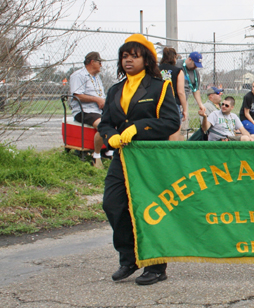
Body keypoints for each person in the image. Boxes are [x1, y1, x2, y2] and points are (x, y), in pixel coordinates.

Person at [98, 34, 180, 285]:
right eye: (125, 56)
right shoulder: (115, 90)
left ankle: (156, 266)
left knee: (148, 210)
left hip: (150, 159)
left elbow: (171, 122)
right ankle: (130, 257)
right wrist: (110, 135)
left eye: (134, 55)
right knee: (112, 204)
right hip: (123, 157)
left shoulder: (159, 86)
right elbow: (106, 122)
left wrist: (139, 128)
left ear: (147, 59)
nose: (128, 60)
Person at [69, 51, 109, 167]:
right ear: (92, 62)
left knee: (120, 119)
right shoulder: (78, 75)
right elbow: (77, 96)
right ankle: (96, 156)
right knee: (103, 125)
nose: (101, 65)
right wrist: (97, 100)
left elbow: (101, 95)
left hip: (98, 110)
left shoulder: (96, 77)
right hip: (84, 111)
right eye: (99, 62)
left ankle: (108, 151)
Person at [158, 47, 188, 141]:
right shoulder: (178, 71)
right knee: (174, 134)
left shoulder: (155, 70)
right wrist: (185, 109)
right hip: (172, 104)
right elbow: (180, 92)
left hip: (157, 104)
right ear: (174, 57)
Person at [180, 52, 205, 121]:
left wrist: (200, 104)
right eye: (195, 64)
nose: (196, 67)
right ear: (190, 59)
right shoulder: (177, 65)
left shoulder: (195, 72)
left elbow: (196, 90)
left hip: (183, 102)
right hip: (173, 100)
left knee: (182, 123)